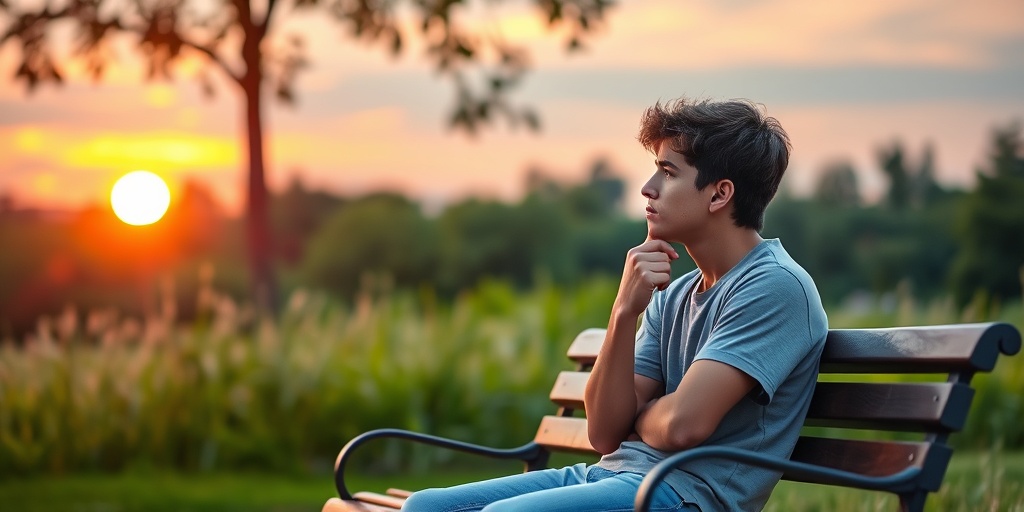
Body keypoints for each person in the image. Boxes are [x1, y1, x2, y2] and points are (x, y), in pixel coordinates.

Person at [401, 97, 829, 512]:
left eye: (668, 172)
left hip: (682, 494)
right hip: (612, 476)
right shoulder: (675, 295)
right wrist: (624, 310)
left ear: (719, 195)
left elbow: (683, 426)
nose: (648, 187)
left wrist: (639, 416)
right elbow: (605, 433)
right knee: (423, 506)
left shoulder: (774, 287)